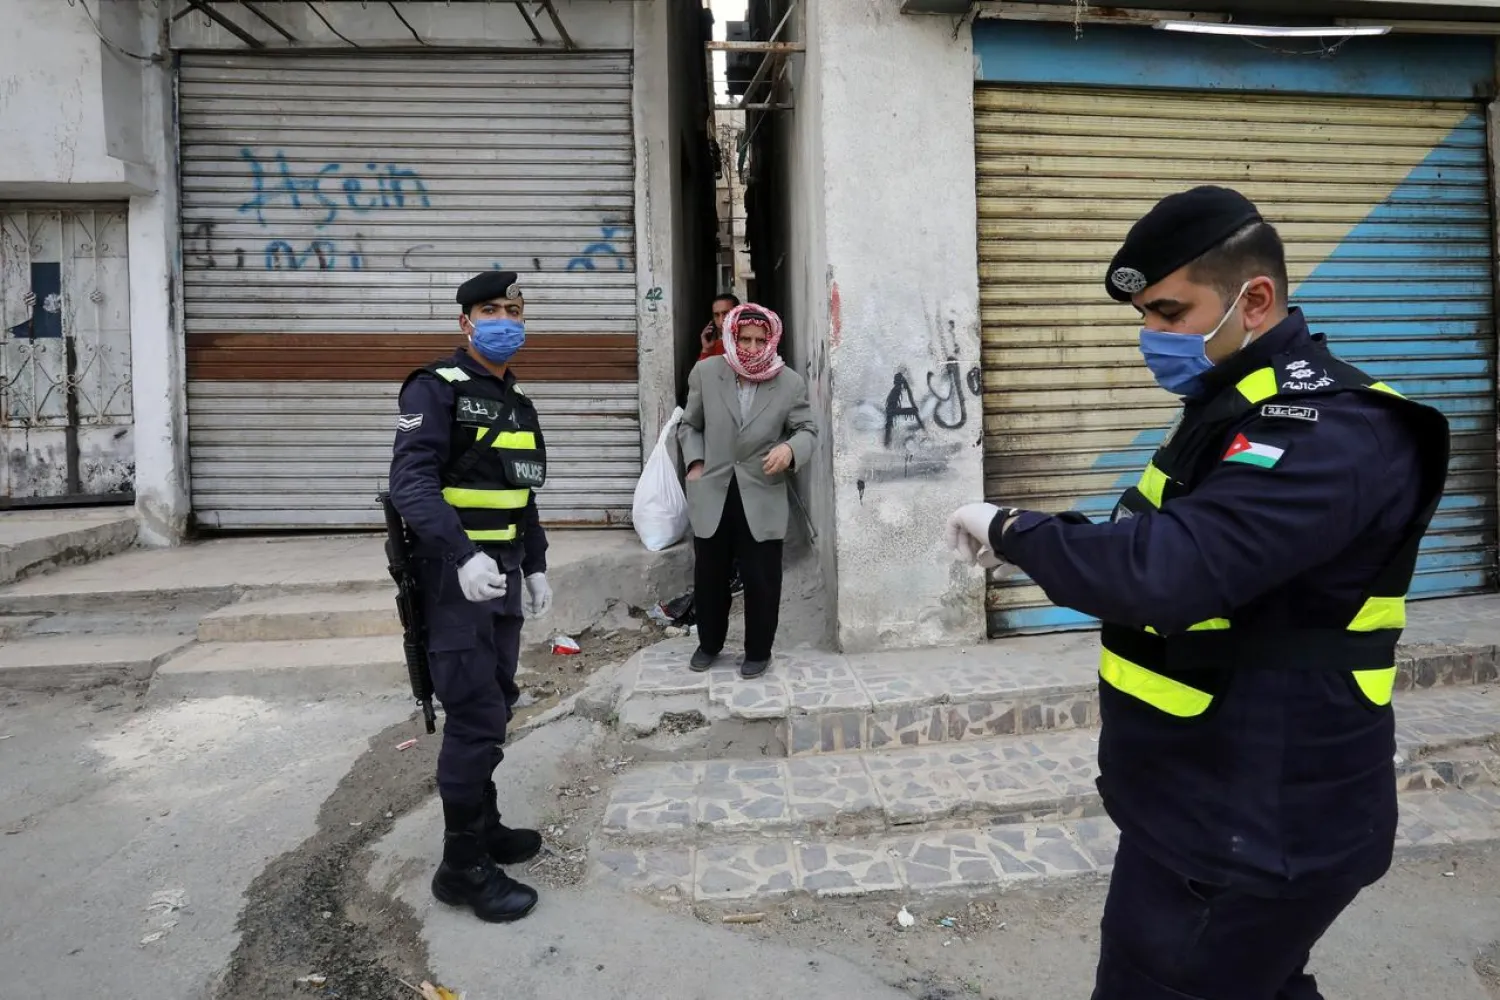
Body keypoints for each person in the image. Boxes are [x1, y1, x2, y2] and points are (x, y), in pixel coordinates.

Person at [945, 186, 1450, 999]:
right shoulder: (1234, 408)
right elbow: (1166, 535)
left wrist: (1016, 533)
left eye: (1170, 312)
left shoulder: (1330, 432)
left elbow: (1168, 571)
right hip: (1207, 807)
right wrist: (1051, 541)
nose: (1151, 337)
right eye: (1144, 315)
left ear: (1253, 300)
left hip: (1255, 826)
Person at [388, 269, 556, 924]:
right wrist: (461, 555)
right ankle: (459, 868)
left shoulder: (517, 402)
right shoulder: (434, 388)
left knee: (497, 701)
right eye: (491, 309)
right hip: (453, 581)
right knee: (474, 710)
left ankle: (483, 828)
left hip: (502, 577)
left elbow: (523, 496)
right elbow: (411, 485)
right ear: (465, 322)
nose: (505, 319)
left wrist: (535, 566)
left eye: (514, 309)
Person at [679, 302, 817, 678]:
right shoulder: (707, 372)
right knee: (710, 575)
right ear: (732, 337)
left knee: (762, 578)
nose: (753, 349)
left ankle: (758, 651)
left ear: (771, 340)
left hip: (762, 491)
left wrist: (790, 450)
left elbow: (807, 431)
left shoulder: (789, 383)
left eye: (760, 340)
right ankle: (709, 644)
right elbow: (689, 425)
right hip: (713, 489)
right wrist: (695, 462)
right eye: (745, 339)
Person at [698, 292, 740, 360]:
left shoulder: (751, 342)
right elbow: (701, 370)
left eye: (726, 313)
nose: (721, 320)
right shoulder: (714, 346)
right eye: (717, 315)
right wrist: (706, 350)